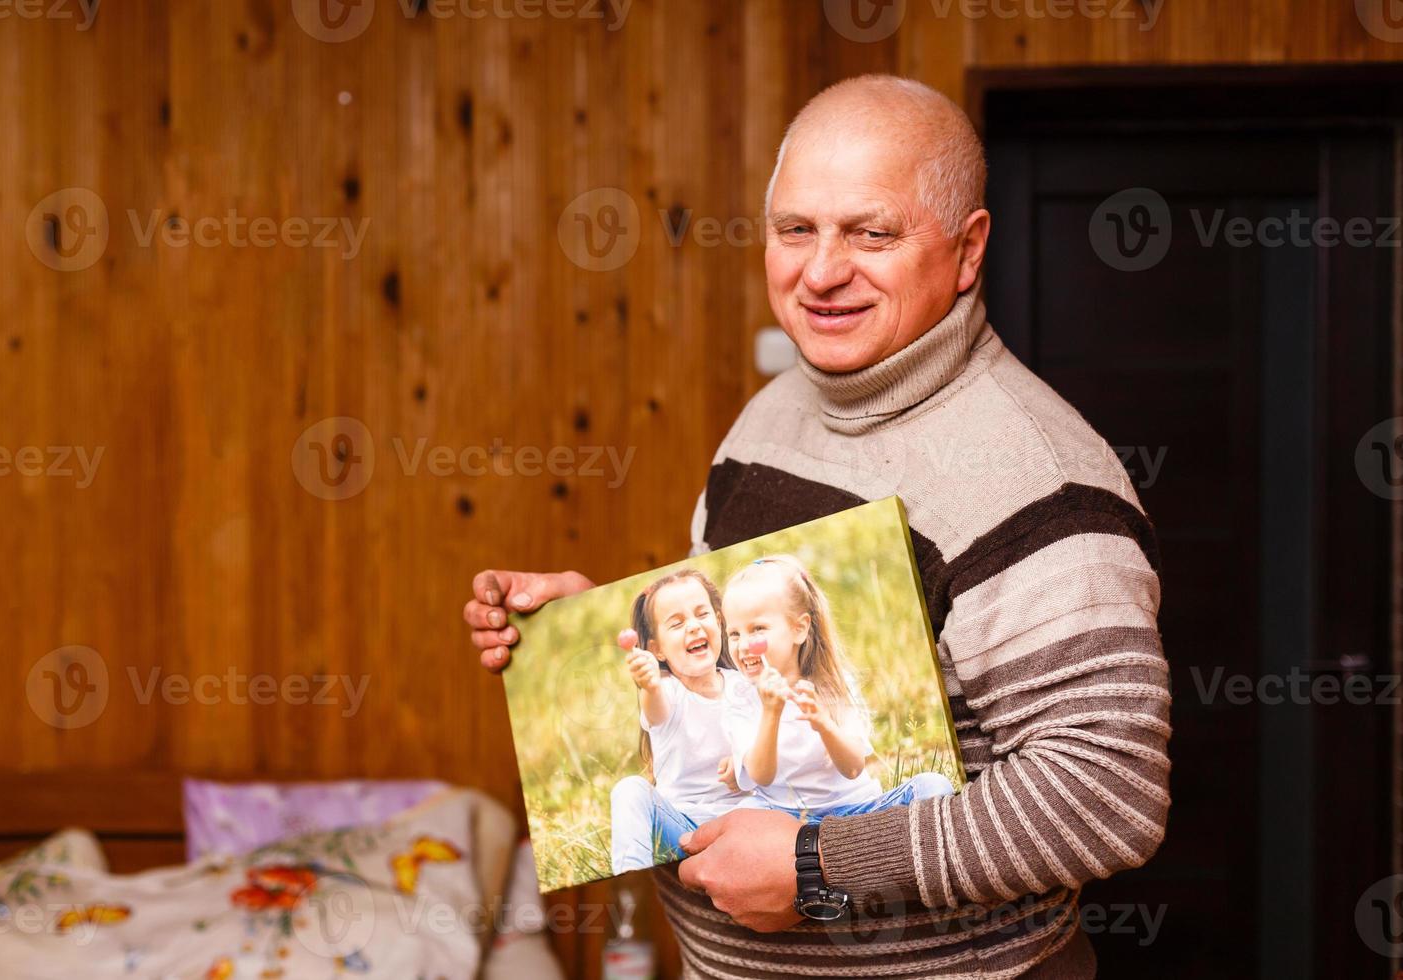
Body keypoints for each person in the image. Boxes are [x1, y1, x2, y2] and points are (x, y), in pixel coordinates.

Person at [462, 73, 1170, 979]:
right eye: (797, 229)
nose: (823, 270)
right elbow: (730, 672)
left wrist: (815, 869)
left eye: (873, 233)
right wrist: (595, 638)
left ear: (966, 250)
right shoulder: (770, 418)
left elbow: (1106, 795)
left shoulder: (1034, 474)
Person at [720, 555, 954, 818]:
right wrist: (771, 713)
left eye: (758, 629)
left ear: (799, 629)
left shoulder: (832, 683)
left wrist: (823, 723)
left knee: (933, 786)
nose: (743, 645)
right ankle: (818, 844)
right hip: (782, 815)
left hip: (855, 809)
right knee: (739, 818)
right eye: (734, 633)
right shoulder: (739, 695)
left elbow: (853, 767)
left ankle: (833, 842)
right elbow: (761, 776)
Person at [608, 569, 752, 874]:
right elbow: (656, 708)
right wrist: (650, 684)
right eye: (677, 623)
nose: (694, 626)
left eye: (702, 614)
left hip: (748, 824)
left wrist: (745, 765)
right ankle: (632, 877)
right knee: (629, 790)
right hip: (684, 833)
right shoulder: (668, 693)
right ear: (656, 649)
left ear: (719, 621)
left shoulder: (746, 685)